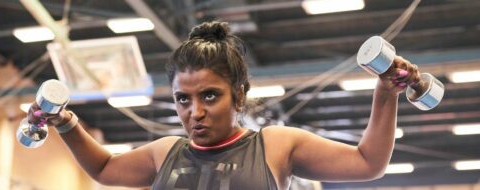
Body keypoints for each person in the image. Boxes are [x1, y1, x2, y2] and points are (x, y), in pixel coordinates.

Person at [30, 21, 421, 190]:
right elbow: (102, 168)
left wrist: (385, 93)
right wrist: (65, 122)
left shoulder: (276, 146)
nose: (194, 112)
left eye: (209, 96)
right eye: (183, 99)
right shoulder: (165, 152)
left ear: (239, 93)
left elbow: (369, 163)